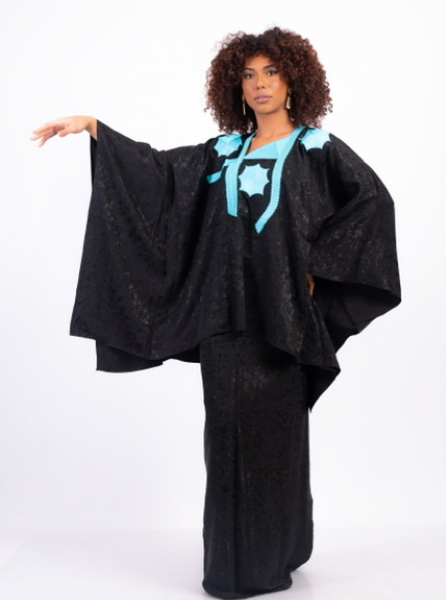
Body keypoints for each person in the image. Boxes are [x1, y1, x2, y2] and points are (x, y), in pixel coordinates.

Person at [31, 27, 401, 600]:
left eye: (271, 72)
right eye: (248, 75)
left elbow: (373, 203)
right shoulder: (222, 152)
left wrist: (319, 267)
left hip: (281, 320)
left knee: (277, 439)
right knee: (226, 440)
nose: (259, 84)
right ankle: (236, 569)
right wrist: (96, 128)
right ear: (236, 84)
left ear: (294, 79)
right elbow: (157, 177)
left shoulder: (317, 148)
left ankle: (280, 551)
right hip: (222, 319)